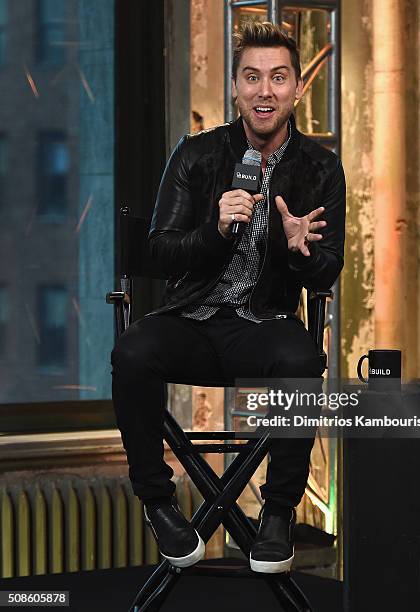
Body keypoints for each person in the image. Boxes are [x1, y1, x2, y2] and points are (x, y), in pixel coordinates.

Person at [111, 21, 346, 573]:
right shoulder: (195, 156)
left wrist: (300, 252)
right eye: (252, 77)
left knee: (301, 358)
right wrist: (213, 232)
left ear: (296, 89)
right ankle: (159, 504)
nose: (265, 91)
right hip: (190, 317)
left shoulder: (320, 169)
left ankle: (278, 515)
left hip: (262, 323)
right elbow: (159, 254)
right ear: (236, 88)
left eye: (278, 78)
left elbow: (327, 271)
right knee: (132, 352)